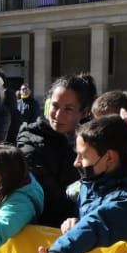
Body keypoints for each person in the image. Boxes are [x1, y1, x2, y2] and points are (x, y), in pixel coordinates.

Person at [28, 117, 127, 253]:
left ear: (109, 158)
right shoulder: (94, 180)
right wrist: (75, 220)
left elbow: (96, 224)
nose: (76, 163)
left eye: (83, 155)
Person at [17, 75, 96, 227]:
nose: (58, 115)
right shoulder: (30, 136)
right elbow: (45, 189)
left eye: (68, 109)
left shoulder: (93, 142)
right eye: (55, 106)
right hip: (41, 229)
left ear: (84, 112)